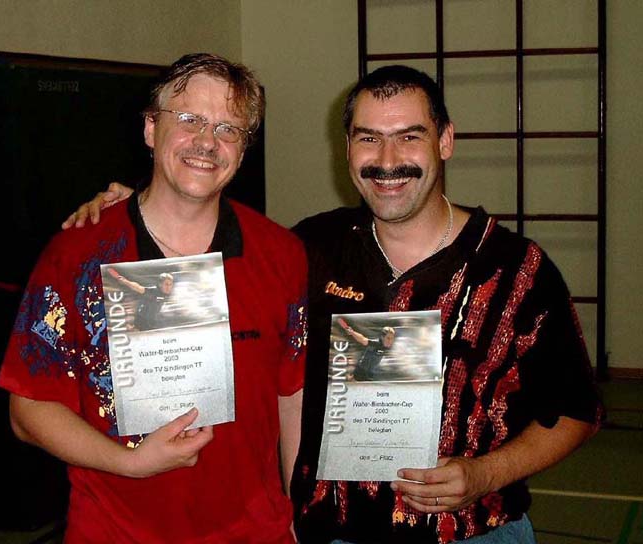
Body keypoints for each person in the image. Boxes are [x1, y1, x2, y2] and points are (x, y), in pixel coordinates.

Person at [65, 65, 602, 543]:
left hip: (473, 533)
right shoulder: (308, 250)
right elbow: (204, 250)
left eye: (409, 137)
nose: (387, 161)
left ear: (445, 141)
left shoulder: (516, 270)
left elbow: (577, 413)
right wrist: (137, 209)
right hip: (333, 531)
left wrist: (484, 475)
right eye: (369, 139)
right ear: (346, 148)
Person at [0, 53, 307, 543]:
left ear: (243, 149)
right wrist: (129, 462)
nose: (207, 142)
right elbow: (29, 410)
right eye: (188, 119)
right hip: (114, 531)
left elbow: (291, 395)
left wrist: (297, 513)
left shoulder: (282, 255)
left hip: (252, 532)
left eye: (228, 129)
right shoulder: (77, 254)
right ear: (150, 128)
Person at [107, 268, 175, 331]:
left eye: (170, 284)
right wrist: (124, 281)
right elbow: (137, 287)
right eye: (166, 284)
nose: (168, 287)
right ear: (160, 284)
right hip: (142, 322)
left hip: (151, 323)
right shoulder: (153, 292)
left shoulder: (167, 294)